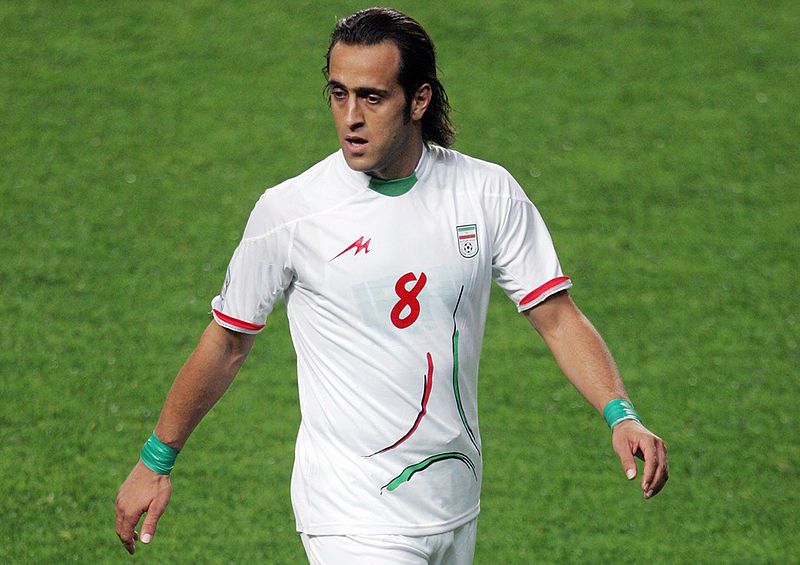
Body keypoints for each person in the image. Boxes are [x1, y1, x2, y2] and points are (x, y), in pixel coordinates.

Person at [115, 7, 668, 564]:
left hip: (454, 502)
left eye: (372, 97)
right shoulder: (292, 212)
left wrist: (620, 413)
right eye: (338, 94)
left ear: (418, 100)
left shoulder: (485, 194)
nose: (350, 117)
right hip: (351, 514)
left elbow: (556, 316)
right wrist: (156, 460)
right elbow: (227, 341)